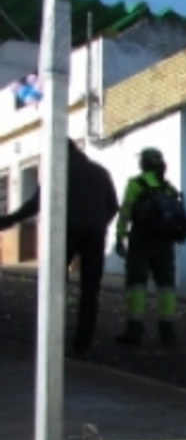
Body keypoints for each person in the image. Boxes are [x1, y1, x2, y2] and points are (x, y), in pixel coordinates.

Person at [0, 139, 119, 356]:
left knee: (55, 285)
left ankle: (53, 335)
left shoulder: (59, 171)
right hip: (95, 233)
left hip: (65, 231)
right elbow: (113, 205)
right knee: (90, 289)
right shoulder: (100, 172)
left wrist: (9, 220)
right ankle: (83, 341)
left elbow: (36, 204)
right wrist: (99, 223)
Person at [113, 147, 180, 346]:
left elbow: (125, 212)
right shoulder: (168, 188)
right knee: (166, 286)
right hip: (164, 244)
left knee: (137, 285)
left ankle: (135, 330)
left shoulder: (136, 184)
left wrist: (120, 236)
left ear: (143, 163)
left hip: (140, 241)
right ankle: (167, 331)